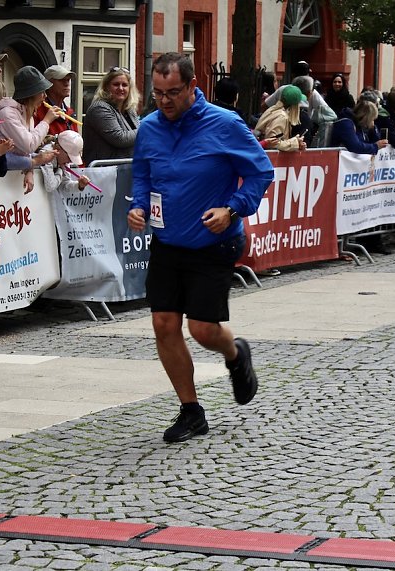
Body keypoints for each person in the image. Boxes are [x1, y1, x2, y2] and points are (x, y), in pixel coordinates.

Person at [127, 52, 274, 443]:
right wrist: (138, 206)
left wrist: (232, 209)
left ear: (192, 86)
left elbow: (261, 172)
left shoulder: (225, 124)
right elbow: (142, 175)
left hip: (214, 241)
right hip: (167, 241)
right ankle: (191, 411)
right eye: (157, 93)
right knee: (164, 324)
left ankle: (236, 354)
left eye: (173, 92)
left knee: (204, 329)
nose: (164, 101)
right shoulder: (149, 127)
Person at [0, 66, 59, 193]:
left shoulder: (27, 114)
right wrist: (46, 121)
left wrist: (29, 170)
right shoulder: (7, 114)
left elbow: (24, 152)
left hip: (10, 182)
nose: (45, 96)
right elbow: (29, 145)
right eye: (42, 92)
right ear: (31, 94)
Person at [82, 66, 140, 165]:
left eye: (125, 85)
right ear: (106, 87)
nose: (120, 88)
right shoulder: (99, 108)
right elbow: (120, 139)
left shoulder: (129, 109)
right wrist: (146, 128)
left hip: (126, 168)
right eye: (116, 84)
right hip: (104, 170)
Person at [253, 85, 307, 151]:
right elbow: (273, 143)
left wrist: (295, 141)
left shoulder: (273, 109)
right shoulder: (281, 116)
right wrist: (295, 143)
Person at [33, 65, 78, 136]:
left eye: (68, 80)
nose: (66, 84)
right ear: (49, 84)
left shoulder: (70, 113)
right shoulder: (37, 111)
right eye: (61, 80)